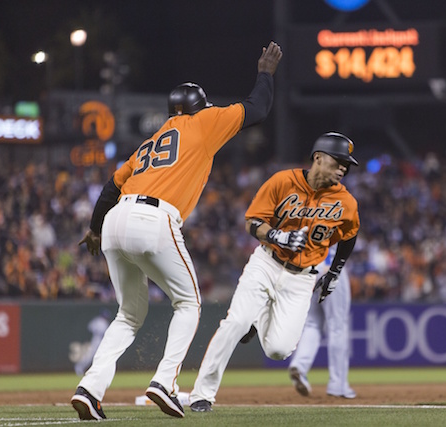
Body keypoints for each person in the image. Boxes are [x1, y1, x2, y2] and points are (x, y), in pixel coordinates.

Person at [70, 41, 283, 421]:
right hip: (155, 219)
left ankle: (90, 388)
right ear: (200, 106)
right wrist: (265, 73)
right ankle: (164, 382)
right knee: (188, 304)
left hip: (116, 220)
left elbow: (110, 187)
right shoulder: (205, 120)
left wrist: (94, 228)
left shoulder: (148, 142)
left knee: (128, 314)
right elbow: (259, 108)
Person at [188, 132, 361, 412]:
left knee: (279, 351)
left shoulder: (346, 202)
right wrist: (278, 236)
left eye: (347, 165)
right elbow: (253, 222)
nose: (343, 168)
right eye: (339, 161)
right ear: (318, 157)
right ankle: (202, 394)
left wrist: (335, 272)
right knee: (235, 323)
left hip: (303, 277)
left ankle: (258, 320)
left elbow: (349, 235)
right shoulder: (282, 181)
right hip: (267, 263)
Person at [288, 247, 356, 398]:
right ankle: (338, 385)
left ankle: (299, 365)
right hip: (331, 263)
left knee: (311, 324)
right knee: (337, 327)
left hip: (307, 267)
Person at [74, 309, 112, 376]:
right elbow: (90, 327)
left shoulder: (104, 322)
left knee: (100, 357)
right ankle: (79, 367)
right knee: (90, 356)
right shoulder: (98, 320)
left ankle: (99, 372)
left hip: (102, 341)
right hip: (96, 340)